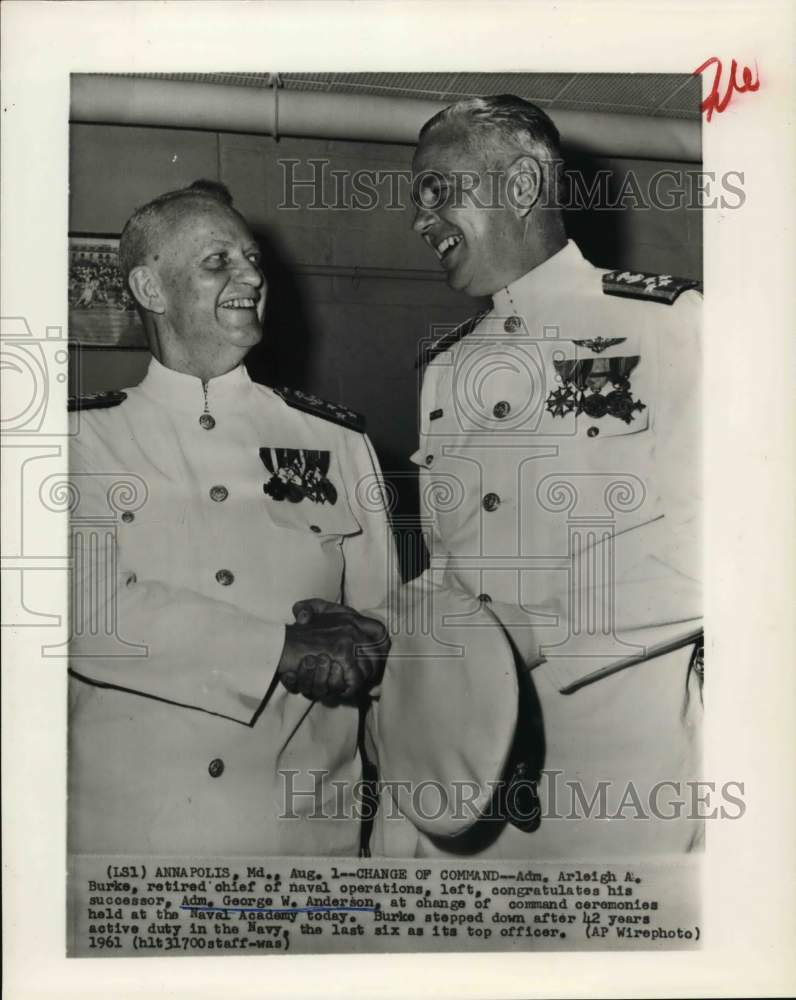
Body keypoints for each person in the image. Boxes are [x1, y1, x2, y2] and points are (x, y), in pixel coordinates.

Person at [68, 180, 518, 858]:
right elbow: (83, 611)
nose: (251, 274)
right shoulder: (77, 442)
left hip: (305, 844)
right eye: (218, 261)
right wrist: (280, 648)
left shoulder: (335, 443)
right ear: (150, 288)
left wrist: (396, 845)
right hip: (136, 844)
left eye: (253, 259)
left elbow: (383, 647)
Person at [406, 95, 703, 858]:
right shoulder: (446, 370)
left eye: (439, 189)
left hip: (616, 799)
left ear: (522, 185)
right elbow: (449, 571)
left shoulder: (670, 325)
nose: (421, 218)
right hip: (470, 790)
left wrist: (534, 631)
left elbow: (735, 545)